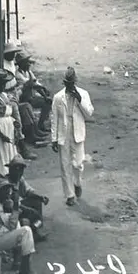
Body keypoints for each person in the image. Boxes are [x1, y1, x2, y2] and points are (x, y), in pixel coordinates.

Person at [0, 177, 44, 274]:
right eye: (4, 189)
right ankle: (25, 272)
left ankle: (17, 262)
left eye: (8, 188)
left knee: (20, 225)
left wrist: (14, 208)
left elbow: (13, 221)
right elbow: (11, 225)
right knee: (26, 231)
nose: (8, 192)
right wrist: (15, 207)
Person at [51, 67, 95, 206]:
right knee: (65, 166)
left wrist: (79, 99)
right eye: (67, 83)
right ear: (64, 83)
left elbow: (89, 113)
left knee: (78, 163)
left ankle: (77, 183)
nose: (69, 86)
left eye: (72, 83)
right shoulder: (58, 97)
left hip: (78, 132)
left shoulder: (83, 94)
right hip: (63, 134)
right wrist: (54, 138)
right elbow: (54, 118)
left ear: (75, 82)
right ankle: (69, 195)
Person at [0, 155, 50, 241]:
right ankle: (33, 229)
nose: (19, 172)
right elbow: (10, 205)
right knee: (27, 219)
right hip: (10, 211)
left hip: (19, 205)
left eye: (21, 169)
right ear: (10, 169)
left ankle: (37, 227)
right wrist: (30, 211)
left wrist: (40, 197)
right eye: (16, 169)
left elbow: (28, 191)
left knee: (36, 202)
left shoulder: (20, 179)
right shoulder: (6, 183)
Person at [0, 70, 19, 177]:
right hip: (0, 129)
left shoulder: (4, 95)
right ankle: (1, 175)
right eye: (1, 84)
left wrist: (16, 128)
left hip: (8, 127)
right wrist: (1, 134)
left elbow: (11, 111)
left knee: (10, 152)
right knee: (1, 153)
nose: (3, 86)